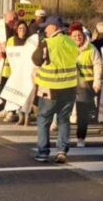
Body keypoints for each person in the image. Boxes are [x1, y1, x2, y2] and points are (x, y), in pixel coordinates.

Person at [32, 17, 79, 164]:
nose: (45, 30)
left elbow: (36, 60)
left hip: (50, 88)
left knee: (43, 120)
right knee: (64, 119)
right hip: (70, 88)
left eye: (47, 27)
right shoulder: (71, 41)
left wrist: (40, 44)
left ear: (54, 27)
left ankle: (43, 152)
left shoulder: (47, 43)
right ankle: (62, 151)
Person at [70, 22, 103, 147]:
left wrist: (97, 82)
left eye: (79, 35)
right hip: (70, 83)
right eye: (74, 35)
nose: (77, 37)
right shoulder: (68, 48)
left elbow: (98, 65)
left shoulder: (91, 49)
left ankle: (81, 137)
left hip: (85, 85)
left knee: (82, 112)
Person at [0, 21, 31, 122]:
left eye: (24, 28)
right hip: (10, 71)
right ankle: (9, 111)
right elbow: (5, 55)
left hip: (24, 72)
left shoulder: (29, 41)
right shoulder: (11, 40)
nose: (22, 30)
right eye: (20, 28)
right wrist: (3, 50)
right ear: (16, 30)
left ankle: (19, 113)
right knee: (11, 92)